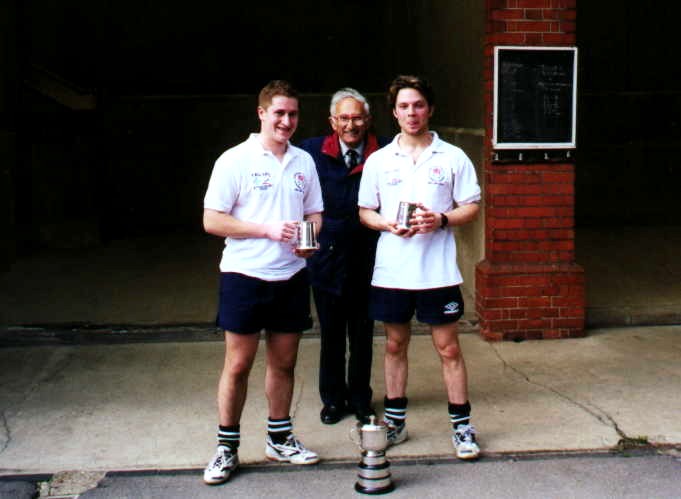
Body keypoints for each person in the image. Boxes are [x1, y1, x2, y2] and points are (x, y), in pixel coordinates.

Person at [202, 80, 324, 485]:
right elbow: (213, 220)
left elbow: (314, 214)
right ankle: (226, 448)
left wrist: (309, 242)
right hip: (244, 276)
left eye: (292, 114)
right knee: (238, 365)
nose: (286, 121)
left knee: (284, 363)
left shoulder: (304, 162)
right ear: (261, 114)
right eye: (279, 114)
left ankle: (280, 438)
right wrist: (266, 230)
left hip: (290, 277)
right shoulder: (234, 160)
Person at [357, 75, 482, 460]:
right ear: (394, 113)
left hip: (438, 272)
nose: (412, 113)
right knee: (395, 344)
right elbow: (365, 212)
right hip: (394, 271)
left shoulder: (453, 157)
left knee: (448, 348)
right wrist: (387, 224)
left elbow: (471, 206)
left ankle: (462, 427)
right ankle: (396, 422)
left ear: (430, 109)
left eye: (419, 105)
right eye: (404, 107)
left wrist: (441, 220)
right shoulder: (378, 160)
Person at [299, 88, 389, 425]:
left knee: (363, 334)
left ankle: (361, 399)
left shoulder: (384, 152)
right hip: (327, 261)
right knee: (332, 335)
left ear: (368, 120)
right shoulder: (310, 152)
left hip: (369, 258)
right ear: (332, 122)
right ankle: (333, 399)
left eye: (357, 117)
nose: (350, 124)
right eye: (344, 118)